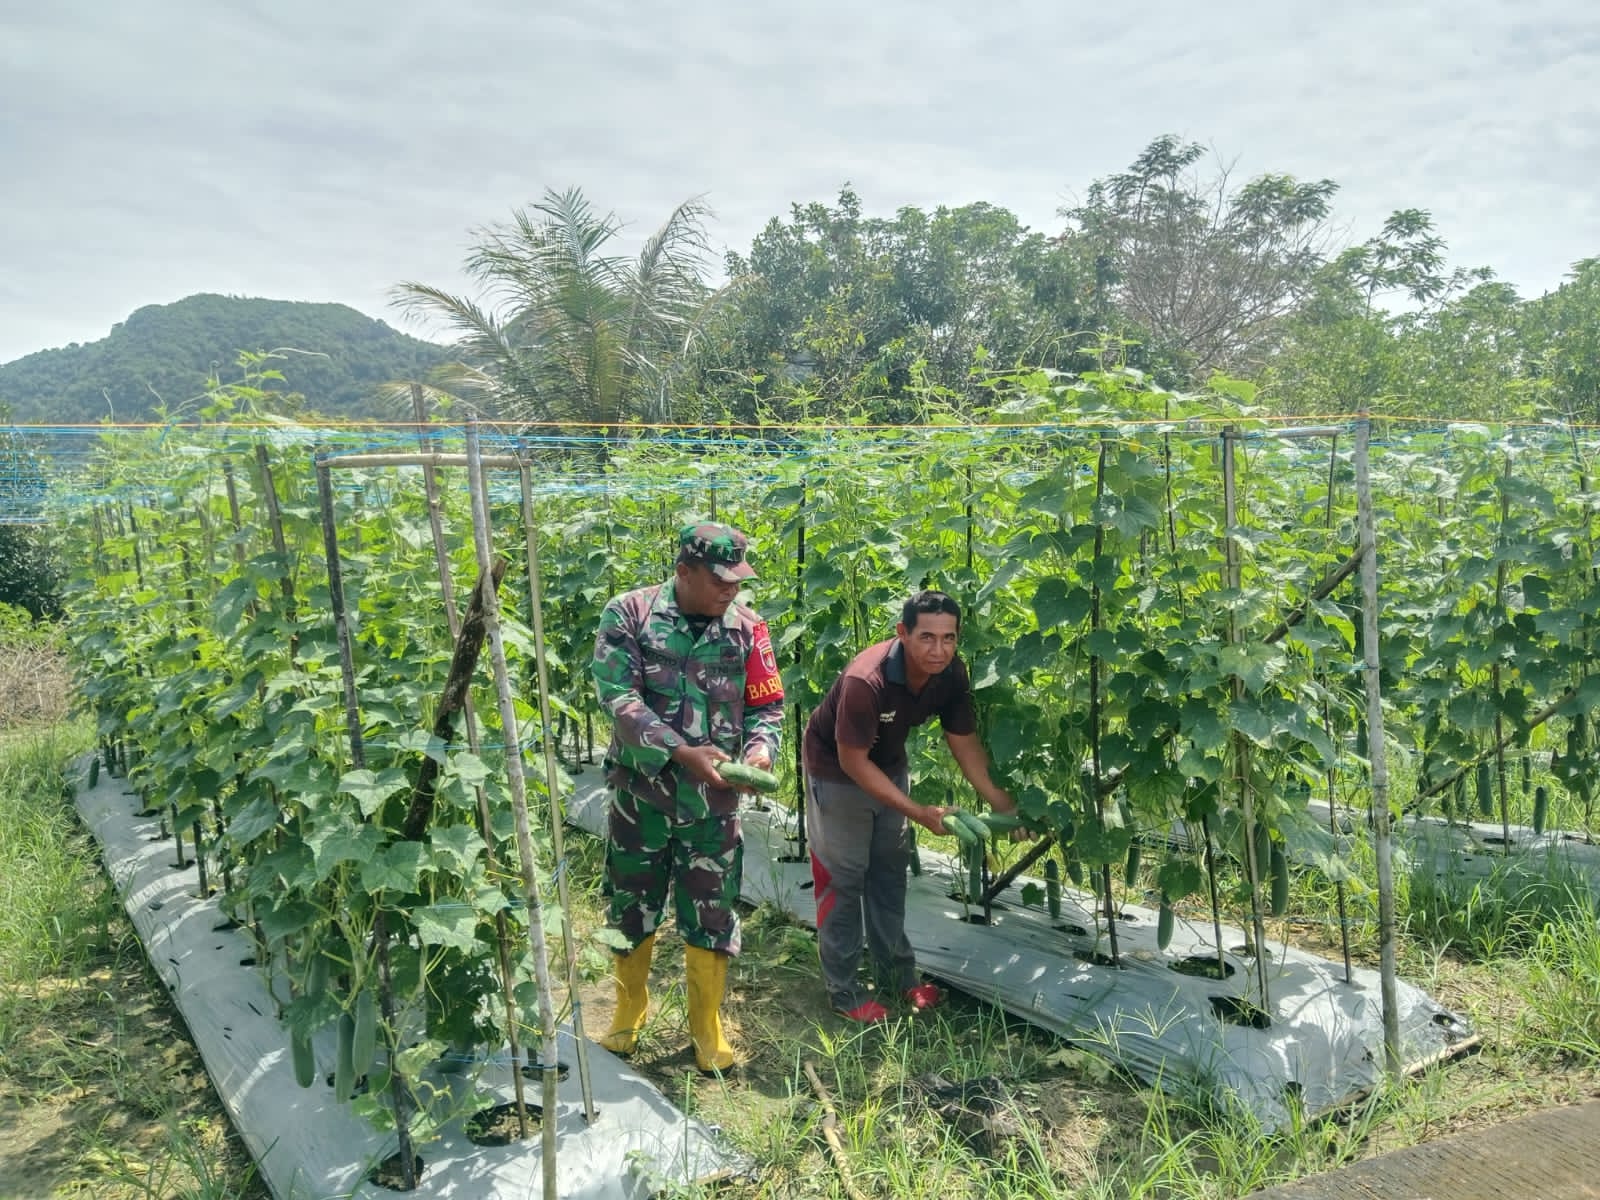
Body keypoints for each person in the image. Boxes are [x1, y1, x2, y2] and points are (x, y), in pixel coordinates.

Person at [590, 521, 785, 1072]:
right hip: (641, 796)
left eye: (738, 579)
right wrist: (680, 751)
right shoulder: (629, 614)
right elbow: (618, 697)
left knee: (711, 908)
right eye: (720, 580)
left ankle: (706, 1024)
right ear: (684, 572)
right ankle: (630, 1009)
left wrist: (760, 751)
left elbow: (766, 704)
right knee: (631, 903)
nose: (731, 589)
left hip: (712, 805)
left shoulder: (748, 627)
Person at [803, 589, 1019, 1022]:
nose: (939, 649)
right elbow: (853, 761)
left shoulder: (950, 672)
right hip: (838, 771)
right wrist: (918, 812)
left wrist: (1003, 804)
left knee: (889, 874)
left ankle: (897, 977)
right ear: (903, 633)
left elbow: (964, 742)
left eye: (949, 638)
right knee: (844, 880)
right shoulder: (866, 680)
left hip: (888, 763)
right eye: (927, 637)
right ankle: (843, 991)